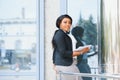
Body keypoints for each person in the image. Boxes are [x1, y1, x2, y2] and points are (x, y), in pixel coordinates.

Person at [52, 14, 90, 80]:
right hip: (66, 66)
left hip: (66, 65)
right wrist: (81, 52)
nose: (68, 24)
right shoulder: (60, 35)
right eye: (65, 22)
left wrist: (54, 63)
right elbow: (63, 53)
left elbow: (56, 50)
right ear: (59, 23)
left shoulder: (61, 34)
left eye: (69, 23)